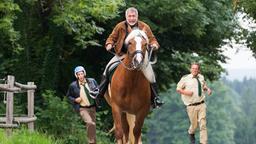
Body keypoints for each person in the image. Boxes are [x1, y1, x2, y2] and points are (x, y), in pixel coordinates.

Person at [97, 7, 164, 108]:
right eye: (130, 16)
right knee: (107, 68)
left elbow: (152, 39)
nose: (132, 18)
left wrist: (154, 45)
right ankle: (99, 93)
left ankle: (155, 98)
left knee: (150, 75)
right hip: (122, 54)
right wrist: (109, 44)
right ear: (126, 17)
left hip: (140, 55)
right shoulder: (120, 26)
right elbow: (112, 37)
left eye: (134, 16)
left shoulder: (144, 26)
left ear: (137, 17)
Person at [176, 63, 212, 144]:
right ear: (190, 69)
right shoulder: (185, 78)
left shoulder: (201, 77)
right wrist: (186, 92)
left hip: (201, 104)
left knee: (203, 124)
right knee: (194, 125)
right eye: (193, 68)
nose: (194, 70)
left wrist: (208, 89)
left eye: (196, 69)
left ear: (198, 70)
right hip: (191, 106)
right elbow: (178, 89)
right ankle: (191, 132)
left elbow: (203, 86)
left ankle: (203, 142)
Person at [66, 66, 99, 144]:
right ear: (76, 75)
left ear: (84, 73)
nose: (80, 76)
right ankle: (90, 142)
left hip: (92, 107)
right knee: (90, 123)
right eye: (78, 74)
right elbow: (68, 96)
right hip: (82, 108)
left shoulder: (92, 81)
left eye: (81, 73)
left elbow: (98, 90)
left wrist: (96, 94)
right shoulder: (73, 85)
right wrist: (75, 100)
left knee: (92, 126)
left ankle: (94, 142)